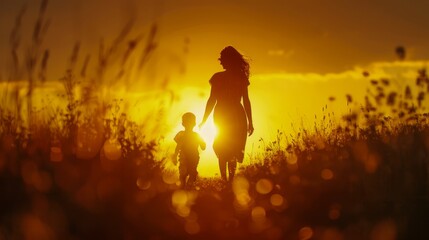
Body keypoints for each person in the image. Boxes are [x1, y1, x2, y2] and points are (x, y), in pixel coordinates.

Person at [200, 46, 254, 182]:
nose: (220, 62)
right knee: (224, 146)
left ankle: (228, 180)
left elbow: (246, 100)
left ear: (229, 60)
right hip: (230, 113)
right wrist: (204, 120)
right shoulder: (220, 77)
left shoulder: (222, 77)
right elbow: (212, 99)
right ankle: (227, 180)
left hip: (226, 113)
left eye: (222, 59)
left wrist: (251, 121)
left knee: (230, 147)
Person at [173, 112, 206, 188]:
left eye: (189, 122)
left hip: (192, 157)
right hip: (185, 157)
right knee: (184, 174)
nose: (188, 124)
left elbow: (203, 146)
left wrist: (203, 144)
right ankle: (184, 187)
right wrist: (175, 156)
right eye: (187, 122)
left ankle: (186, 186)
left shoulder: (191, 135)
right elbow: (203, 147)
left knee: (190, 173)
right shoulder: (191, 135)